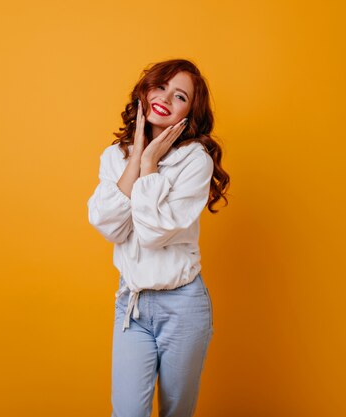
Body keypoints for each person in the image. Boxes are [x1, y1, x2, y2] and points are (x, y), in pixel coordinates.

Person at [87, 59, 230, 417]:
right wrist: (137, 156)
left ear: (189, 113)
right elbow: (108, 224)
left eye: (179, 95)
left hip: (183, 306)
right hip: (132, 307)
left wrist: (150, 164)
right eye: (161, 86)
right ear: (145, 90)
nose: (165, 97)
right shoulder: (114, 157)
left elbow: (151, 234)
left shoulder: (195, 161)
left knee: (175, 413)